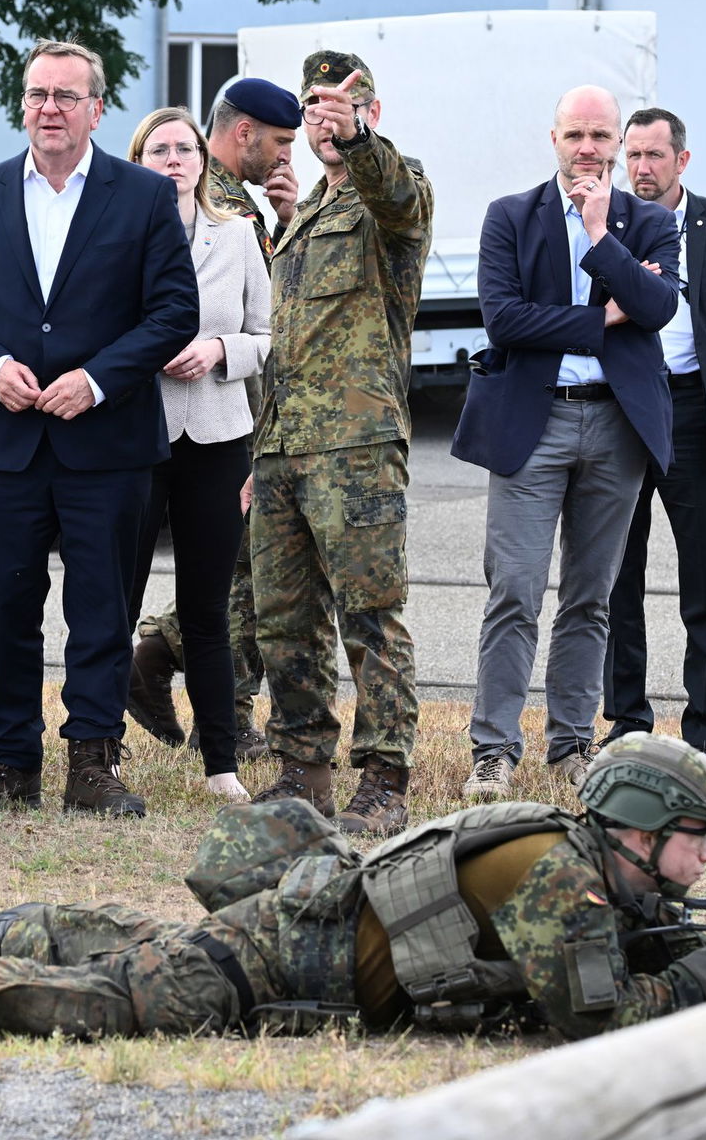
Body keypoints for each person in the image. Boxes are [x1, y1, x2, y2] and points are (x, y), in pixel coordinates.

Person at [0, 734, 706, 1042]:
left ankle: (28, 922)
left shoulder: (582, 861)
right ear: (634, 830)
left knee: (133, 945)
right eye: (695, 838)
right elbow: (597, 1020)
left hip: (295, 929)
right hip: (265, 970)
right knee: (90, 1003)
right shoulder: (558, 877)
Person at [0, 40, 199, 819]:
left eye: (66, 96)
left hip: (106, 445)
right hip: (5, 445)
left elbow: (174, 310)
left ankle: (92, 762)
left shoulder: (144, 196)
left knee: (102, 612)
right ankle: (10, 760)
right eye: (38, 94)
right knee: (6, 607)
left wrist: (99, 378)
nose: (50, 108)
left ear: (97, 109)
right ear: (23, 105)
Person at [452, 85, 679, 800]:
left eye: (600, 136)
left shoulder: (648, 223)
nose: (588, 148)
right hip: (534, 421)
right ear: (553, 137)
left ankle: (574, 745)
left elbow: (658, 307)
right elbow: (504, 321)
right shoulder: (510, 217)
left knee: (591, 596)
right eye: (575, 135)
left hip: (617, 426)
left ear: (617, 142)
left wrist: (603, 237)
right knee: (514, 590)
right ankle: (493, 751)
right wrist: (600, 320)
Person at [245, 52, 433, 836]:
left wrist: (354, 138)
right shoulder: (304, 213)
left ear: (370, 116)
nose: (323, 121)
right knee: (285, 617)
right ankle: (303, 767)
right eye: (313, 108)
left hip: (356, 444)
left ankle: (385, 776)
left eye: (342, 107)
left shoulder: (394, 193)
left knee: (370, 612)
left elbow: (393, 192)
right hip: (283, 443)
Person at [128, 77, 301, 762]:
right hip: (139, 426)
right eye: (160, 150)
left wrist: (221, 350)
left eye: (184, 149)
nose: (175, 161)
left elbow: (268, 328)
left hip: (221, 425)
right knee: (231, 581)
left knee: (225, 578)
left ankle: (220, 729)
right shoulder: (120, 229)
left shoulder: (237, 229)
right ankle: (145, 711)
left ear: (204, 155)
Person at [603, 108, 706, 756]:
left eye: (655, 156)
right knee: (618, 572)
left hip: (696, 414)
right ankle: (627, 719)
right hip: (624, 408)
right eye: (634, 155)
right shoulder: (606, 222)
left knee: (705, 578)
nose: (643, 169)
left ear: (682, 160)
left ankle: (705, 728)